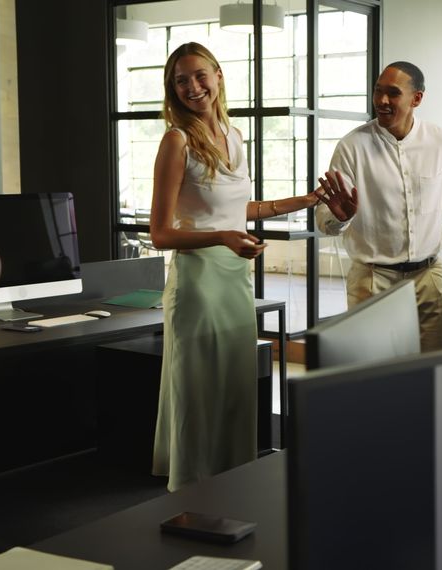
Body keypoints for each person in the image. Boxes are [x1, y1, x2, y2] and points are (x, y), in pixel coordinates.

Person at [148, 42, 335, 491]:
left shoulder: (234, 135)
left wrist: (305, 201)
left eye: (199, 76)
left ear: (218, 76)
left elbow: (238, 208)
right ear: (172, 90)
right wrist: (223, 238)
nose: (193, 87)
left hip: (233, 280)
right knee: (199, 394)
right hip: (197, 282)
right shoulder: (176, 141)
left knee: (235, 389)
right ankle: (190, 493)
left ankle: (229, 487)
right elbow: (160, 233)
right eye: (181, 80)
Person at [314, 61, 442, 352]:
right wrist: (339, 218)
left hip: (429, 275)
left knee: (432, 369)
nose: (382, 101)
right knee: (374, 372)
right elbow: (325, 220)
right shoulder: (352, 146)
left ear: (416, 98)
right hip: (372, 277)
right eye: (378, 91)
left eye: (392, 93)